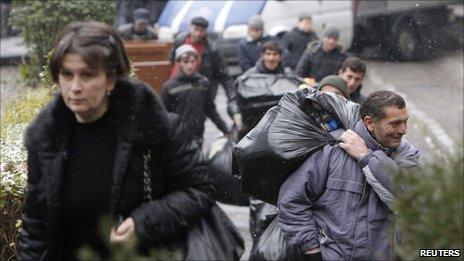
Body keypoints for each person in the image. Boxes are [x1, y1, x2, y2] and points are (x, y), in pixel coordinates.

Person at [16, 21, 215, 260]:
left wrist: (145, 223)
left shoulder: (152, 127)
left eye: (87, 75)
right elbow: (36, 224)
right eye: (67, 74)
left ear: (110, 78)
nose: (75, 87)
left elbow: (200, 188)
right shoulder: (46, 138)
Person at [278, 90, 420, 260]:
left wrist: (367, 157)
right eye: (395, 123)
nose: (403, 130)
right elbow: (291, 201)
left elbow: (409, 198)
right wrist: (312, 250)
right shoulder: (331, 152)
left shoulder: (406, 155)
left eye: (405, 122)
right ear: (369, 122)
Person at [162, 44, 230, 146]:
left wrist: (225, 129)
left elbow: (210, 109)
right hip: (176, 140)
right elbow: (164, 115)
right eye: (185, 62)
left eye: (192, 61)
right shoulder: (169, 87)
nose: (189, 66)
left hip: (198, 137)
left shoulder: (203, 83)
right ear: (178, 62)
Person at [170, 16, 235, 105]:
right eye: (196, 29)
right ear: (190, 27)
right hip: (178, 86)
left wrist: (231, 95)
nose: (198, 34)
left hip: (200, 89)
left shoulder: (212, 49)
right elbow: (172, 61)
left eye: (201, 31)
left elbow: (223, 74)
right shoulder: (179, 41)